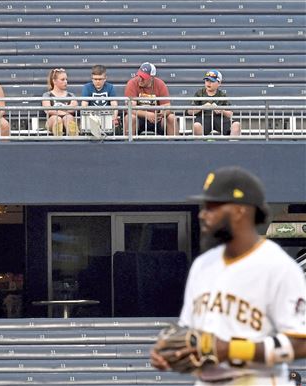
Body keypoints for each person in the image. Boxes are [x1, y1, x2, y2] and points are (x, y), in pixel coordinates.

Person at [150, 166, 306, 385]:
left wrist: (232, 349)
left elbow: (300, 343)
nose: (203, 214)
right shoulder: (202, 266)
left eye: (212, 206)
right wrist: (171, 352)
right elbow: (191, 331)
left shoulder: (278, 267)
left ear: (240, 210)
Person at [124, 62, 178, 136]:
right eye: (139, 75)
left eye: (143, 77)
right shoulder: (132, 83)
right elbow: (130, 108)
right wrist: (146, 114)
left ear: (152, 77)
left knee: (171, 118)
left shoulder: (160, 84)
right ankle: (127, 146)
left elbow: (167, 106)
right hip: (139, 118)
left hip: (157, 118)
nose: (140, 79)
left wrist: (161, 114)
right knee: (130, 118)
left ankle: (174, 145)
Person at [189, 69, 241, 137]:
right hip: (203, 118)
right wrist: (202, 107)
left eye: (212, 81)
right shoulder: (199, 93)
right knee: (196, 126)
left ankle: (232, 146)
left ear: (219, 83)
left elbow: (230, 114)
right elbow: (190, 112)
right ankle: (199, 146)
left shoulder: (222, 95)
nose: (208, 83)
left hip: (220, 119)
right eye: (207, 80)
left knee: (236, 125)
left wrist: (222, 111)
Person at [80, 64, 120, 135]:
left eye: (100, 79)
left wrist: (114, 118)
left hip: (107, 117)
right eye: (95, 79)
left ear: (105, 78)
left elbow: (114, 105)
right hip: (92, 118)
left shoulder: (110, 87)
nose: (97, 81)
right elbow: (84, 106)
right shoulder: (87, 87)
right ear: (92, 78)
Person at [42, 68, 79, 136]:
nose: (66, 82)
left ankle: (73, 136)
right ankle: (58, 134)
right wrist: (65, 110)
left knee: (68, 118)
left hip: (67, 119)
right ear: (54, 81)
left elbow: (73, 108)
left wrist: (57, 110)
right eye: (62, 79)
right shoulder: (47, 95)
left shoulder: (71, 95)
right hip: (52, 121)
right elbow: (48, 110)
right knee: (57, 119)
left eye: (66, 79)